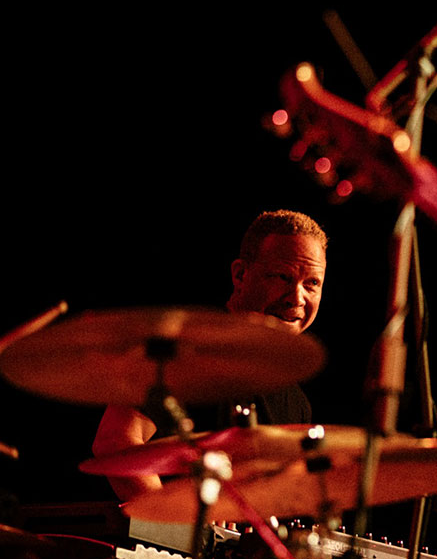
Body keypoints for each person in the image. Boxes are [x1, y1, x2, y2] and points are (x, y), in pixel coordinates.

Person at [92, 209, 328, 502]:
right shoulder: (184, 352)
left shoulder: (296, 403)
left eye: (312, 283)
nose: (297, 298)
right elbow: (115, 442)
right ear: (240, 275)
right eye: (282, 277)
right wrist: (176, 521)